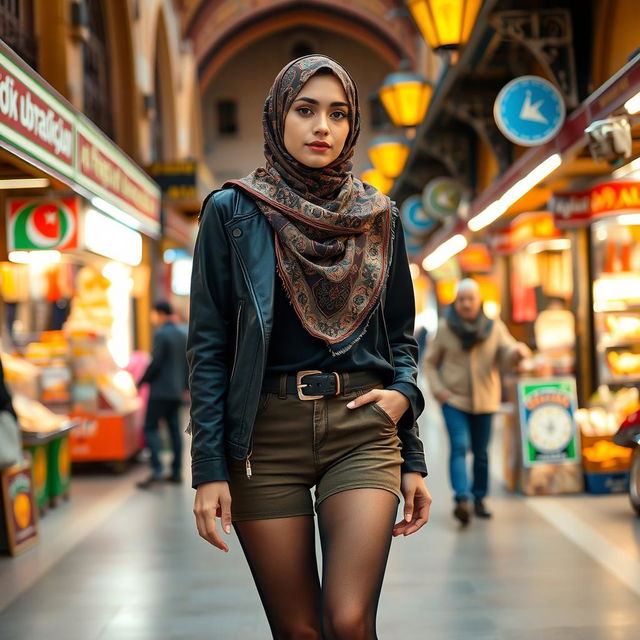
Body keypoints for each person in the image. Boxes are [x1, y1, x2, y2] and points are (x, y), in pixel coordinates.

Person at [188, 55, 431, 639]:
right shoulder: (231, 212)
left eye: (338, 114)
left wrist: (407, 419)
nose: (322, 126)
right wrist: (208, 469)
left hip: (362, 429)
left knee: (349, 620)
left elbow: (400, 334)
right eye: (306, 110)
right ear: (277, 118)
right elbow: (210, 347)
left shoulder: (380, 216)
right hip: (263, 440)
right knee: (298, 631)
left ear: (352, 127)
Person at [424, 279, 529, 525]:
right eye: (461, 299)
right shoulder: (445, 327)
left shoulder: (493, 327)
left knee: (481, 452)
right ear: (455, 302)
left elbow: (506, 351)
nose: (466, 303)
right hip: (454, 399)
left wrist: (518, 353)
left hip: (485, 399)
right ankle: (462, 498)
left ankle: (479, 498)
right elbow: (429, 362)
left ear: (479, 301)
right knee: (459, 446)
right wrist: (439, 391)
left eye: (470, 299)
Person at [137, 300, 188, 488]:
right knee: (174, 430)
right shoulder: (181, 334)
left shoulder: (161, 334)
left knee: (150, 427)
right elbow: (186, 364)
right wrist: (185, 387)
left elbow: (156, 363)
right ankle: (176, 472)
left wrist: (141, 381)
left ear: (159, 313)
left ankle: (157, 469)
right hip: (175, 392)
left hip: (159, 391)